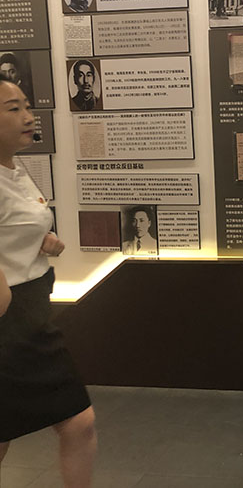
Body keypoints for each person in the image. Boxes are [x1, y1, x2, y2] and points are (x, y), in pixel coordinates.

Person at [0, 74, 97, 486]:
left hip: (32, 315)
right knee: (73, 422)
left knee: (76, 422)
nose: (28, 116)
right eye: (13, 108)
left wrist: (39, 240)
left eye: (27, 106)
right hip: (8, 323)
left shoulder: (13, 166)